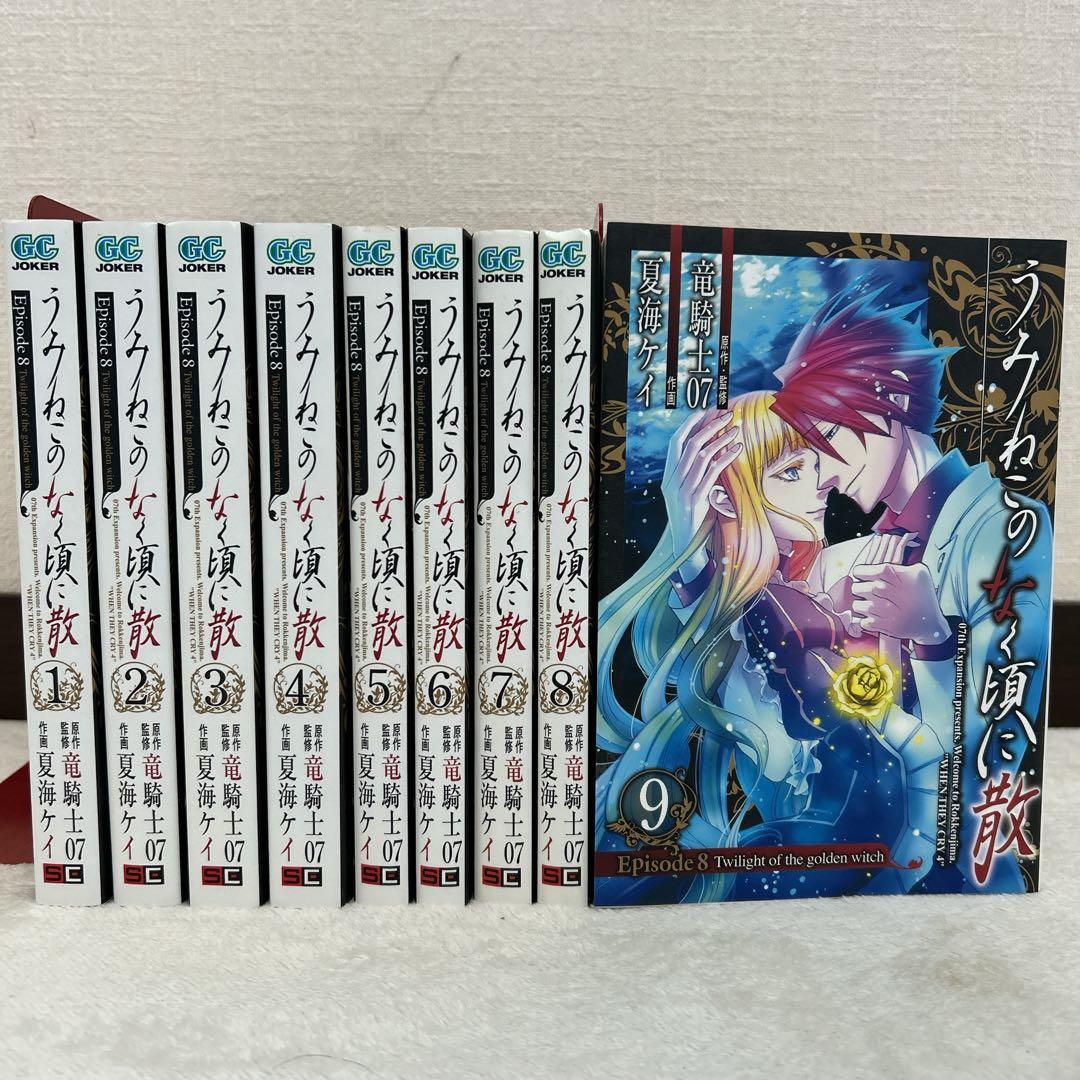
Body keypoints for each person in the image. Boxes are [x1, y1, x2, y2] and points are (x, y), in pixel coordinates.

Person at [594, 392, 947, 905]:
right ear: (723, 500)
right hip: (838, 824)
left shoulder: (804, 583)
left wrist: (894, 628)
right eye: (791, 472)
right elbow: (720, 614)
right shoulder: (759, 607)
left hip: (870, 821)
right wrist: (686, 534)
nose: (821, 482)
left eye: (814, 463)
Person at [771, 288, 1052, 891]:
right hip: (880, 853)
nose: (824, 475)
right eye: (810, 453)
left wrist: (932, 636)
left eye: (829, 439)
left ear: (894, 399)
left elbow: (1012, 729)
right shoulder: (863, 551)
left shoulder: (1008, 524)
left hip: (971, 864)